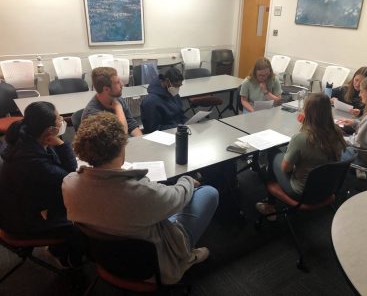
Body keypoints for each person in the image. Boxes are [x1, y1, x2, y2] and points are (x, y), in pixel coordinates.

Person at [62, 112, 219, 284]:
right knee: (208, 193)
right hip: (156, 269)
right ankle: (187, 256)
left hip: (104, 259)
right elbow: (177, 196)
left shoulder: (68, 184)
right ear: (121, 147)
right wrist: (187, 180)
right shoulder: (141, 192)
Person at [0, 102, 85, 267]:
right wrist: (61, 144)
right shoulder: (31, 159)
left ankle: (60, 248)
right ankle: (68, 260)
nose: (62, 120)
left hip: (26, 205)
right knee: (81, 224)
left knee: (73, 206)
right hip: (19, 221)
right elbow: (69, 176)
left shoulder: (29, 139)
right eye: (59, 118)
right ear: (49, 130)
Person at [256, 93, 346, 217]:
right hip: (327, 187)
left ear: (307, 111)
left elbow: (285, 169)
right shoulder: (337, 132)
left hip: (301, 191)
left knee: (273, 153)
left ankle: (270, 205)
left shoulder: (301, 138)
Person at [82, 67, 142, 137]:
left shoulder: (118, 99)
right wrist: (118, 108)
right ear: (106, 89)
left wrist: (141, 140)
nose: (122, 84)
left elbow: (131, 124)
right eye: (117, 82)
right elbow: (121, 135)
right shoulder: (93, 114)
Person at [140, 67, 187, 133]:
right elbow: (152, 129)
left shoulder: (173, 94)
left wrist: (187, 123)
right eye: (176, 85)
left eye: (179, 85)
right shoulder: (150, 102)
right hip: (163, 136)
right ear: (167, 81)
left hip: (178, 131)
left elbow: (181, 115)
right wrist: (178, 127)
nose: (177, 88)